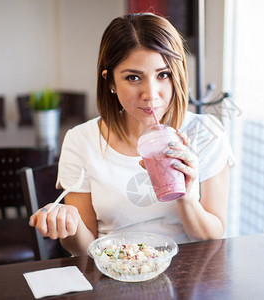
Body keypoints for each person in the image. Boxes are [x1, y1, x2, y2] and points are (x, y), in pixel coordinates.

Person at [29, 12, 234, 256]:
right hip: (116, 272)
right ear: (111, 82)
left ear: (177, 75)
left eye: (163, 74)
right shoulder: (80, 141)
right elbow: (84, 249)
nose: (151, 94)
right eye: (133, 77)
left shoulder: (205, 134)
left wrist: (187, 198)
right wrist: (70, 225)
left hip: (187, 276)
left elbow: (213, 237)